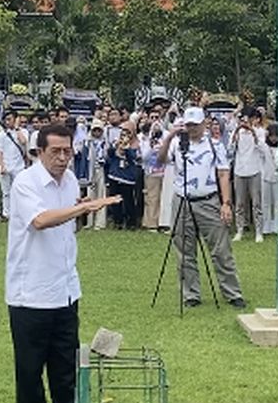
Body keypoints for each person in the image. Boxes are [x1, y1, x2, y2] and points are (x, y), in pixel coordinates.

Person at [5, 122, 119, 403]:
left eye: (67, 151)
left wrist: (79, 208)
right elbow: (40, 221)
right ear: (39, 152)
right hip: (30, 291)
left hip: (65, 288)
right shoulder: (26, 183)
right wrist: (84, 207)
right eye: (55, 151)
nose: (62, 157)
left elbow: (68, 225)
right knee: (29, 365)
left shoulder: (69, 180)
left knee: (65, 362)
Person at [156, 107, 246, 308]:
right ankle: (191, 294)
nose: (192, 129)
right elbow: (160, 160)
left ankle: (232, 292)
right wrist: (170, 136)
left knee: (221, 249)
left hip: (208, 200)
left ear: (204, 124)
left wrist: (225, 203)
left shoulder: (215, 145)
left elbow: (223, 174)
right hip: (182, 199)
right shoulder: (178, 144)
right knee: (185, 250)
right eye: (188, 125)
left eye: (195, 125)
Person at [230, 112, 264, 242]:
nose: (244, 123)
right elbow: (230, 149)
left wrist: (253, 133)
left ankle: (259, 231)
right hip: (239, 170)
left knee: (256, 203)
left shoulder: (259, 132)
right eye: (242, 120)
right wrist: (235, 135)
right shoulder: (236, 132)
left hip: (254, 170)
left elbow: (261, 148)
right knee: (239, 203)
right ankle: (239, 230)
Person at [104, 124, 140, 229]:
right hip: (115, 175)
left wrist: (127, 149)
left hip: (128, 178)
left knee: (129, 202)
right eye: (123, 133)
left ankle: (131, 223)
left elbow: (133, 158)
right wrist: (116, 146)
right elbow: (110, 154)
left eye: (128, 133)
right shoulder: (116, 143)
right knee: (115, 200)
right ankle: (117, 221)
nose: (125, 136)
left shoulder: (136, 145)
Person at [0, 112, 29, 221]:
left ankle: (19, 212)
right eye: (6, 120)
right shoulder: (2, 134)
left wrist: (16, 128)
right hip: (6, 165)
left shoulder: (23, 132)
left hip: (19, 166)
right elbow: (0, 151)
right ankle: (6, 213)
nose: (7, 122)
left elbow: (24, 141)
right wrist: (2, 165)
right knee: (6, 192)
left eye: (10, 119)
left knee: (19, 190)